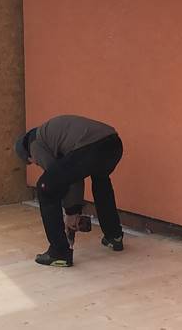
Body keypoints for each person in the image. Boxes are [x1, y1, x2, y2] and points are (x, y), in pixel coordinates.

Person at [14, 114, 124, 267]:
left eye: (32, 162)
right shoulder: (53, 137)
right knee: (101, 182)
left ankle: (59, 253)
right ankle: (114, 235)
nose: (36, 163)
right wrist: (74, 210)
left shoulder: (34, 143)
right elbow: (71, 175)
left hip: (91, 147)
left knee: (45, 187)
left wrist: (71, 213)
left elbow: (58, 179)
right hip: (113, 143)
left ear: (28, 155)